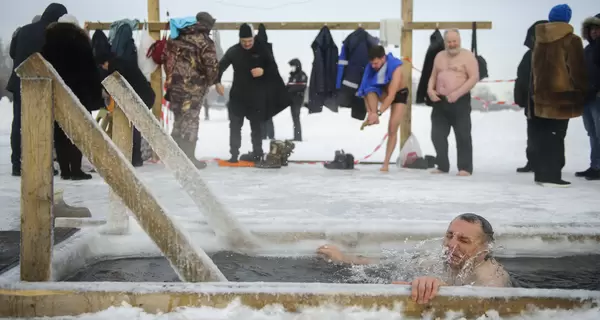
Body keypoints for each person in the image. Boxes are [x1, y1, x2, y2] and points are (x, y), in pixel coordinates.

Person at [317, 213, 511, 304]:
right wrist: (343, 257)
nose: (452, 245)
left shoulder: (491, 274)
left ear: (484, 249)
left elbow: (488, 305)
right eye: (449, 235)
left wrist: (440, 288)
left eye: (464, 240)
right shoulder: (435, 260)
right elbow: (387, 265)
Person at [41, 14, 105, 180]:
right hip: (79, 94)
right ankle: (76, 169)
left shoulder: (48, 44)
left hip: (56, 93)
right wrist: (95, 97)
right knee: (78, 131)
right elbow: (91, 71)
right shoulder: (81, 43)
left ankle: (65, 170)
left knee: (60, 132)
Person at [7, 3, 67, 177]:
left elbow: (12, 53)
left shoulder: (23, 30)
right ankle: (42, 164)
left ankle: (17, 164)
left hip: (20, 81)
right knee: (43, 123)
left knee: (18, 122)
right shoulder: (54, 34)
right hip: (41, 85)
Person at [530, 4, 587, 187]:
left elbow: (535, 70)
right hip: (562, 97)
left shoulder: (539, 39)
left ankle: (541, 173)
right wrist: (582, 90)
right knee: (557, 136)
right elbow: (577, 70)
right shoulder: (572, 40)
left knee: (543, 135)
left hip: (541, 96)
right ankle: (553, 173)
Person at [163, 12, 219, 169]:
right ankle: (188, 158)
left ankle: (174, 157)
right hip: (193, 89)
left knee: (179, 120)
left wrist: (171, 78)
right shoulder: (205, 41)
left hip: (174, 87)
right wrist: (209, 81)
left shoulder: (177, 37)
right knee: (191, 120)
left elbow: (165, 57)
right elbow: (212, 67)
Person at [216, 23, 275, 163]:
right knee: (235, 127)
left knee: (257, 127)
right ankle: (234, 155)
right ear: (239, 39)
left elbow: (273, 69)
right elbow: (219, 68)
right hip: (238, 96)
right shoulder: (233, 51)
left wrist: (263, 71)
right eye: (244, 41)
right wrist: (217, 82)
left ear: (254, 38)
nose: (247, 44)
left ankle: (258, 153)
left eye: (250, 41)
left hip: (256, 97)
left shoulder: (262, 50)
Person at [94, 39, 156, 167]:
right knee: (135, 127)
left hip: (140, 98)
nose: (103, 68)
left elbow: (117, 85)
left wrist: (106, 92)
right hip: (145, 96)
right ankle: (135, 157)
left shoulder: (115, 67)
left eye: (102, 66)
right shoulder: (121, 62)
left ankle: (134, 157)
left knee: (134, 127)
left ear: (105, 63)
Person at [427, 29, 479, 177]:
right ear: (445, 42)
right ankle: (442, 165)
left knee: (462, 134)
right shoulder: (439, 56)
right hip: (440, 100)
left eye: (454, 41)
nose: (452, 44)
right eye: (449, 42)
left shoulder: (467, 56)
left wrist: (457, 93)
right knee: (437, 134)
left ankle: (465, 167)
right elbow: (433, 75)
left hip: (460, 100)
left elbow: (473, 78)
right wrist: (430, 90)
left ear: (459, 40)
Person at [358, 45, 408, 172]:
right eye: (372, 64)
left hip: (398, 94)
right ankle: (374, 117)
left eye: (376, 63)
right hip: (382, 91)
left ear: (383, 58)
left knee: (392, 128)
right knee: (369, 90)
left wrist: (379, 112)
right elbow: (364, 91)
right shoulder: (370, 67)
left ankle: (386, 163)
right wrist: (370, 112)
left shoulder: (396, 67)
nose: (373, 66)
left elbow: (392, 95)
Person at [515, 20, 548, 174]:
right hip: (531, 102)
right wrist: (520, 97)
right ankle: (532, 161)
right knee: (532, 134)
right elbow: (521, 77)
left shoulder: (550, 54)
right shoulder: (528, 55)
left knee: (547, 134)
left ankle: (547, 163)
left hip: (548, 103)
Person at [576, 13, 600, 181]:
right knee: (592, 133)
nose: (594, 32)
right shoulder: (588, 49)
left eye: (598, 28)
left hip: (598, 96)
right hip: (587, 97)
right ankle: (595, 165)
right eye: (592, 28)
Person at [287, 58, 307, 141]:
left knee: (296, 118)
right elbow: (288, 86)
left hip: (297, 100)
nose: (292, 68)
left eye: (293, 66)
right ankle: (296, 136)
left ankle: (298, 137)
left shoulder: (302, 75)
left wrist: (289, 89)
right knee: (294, 118)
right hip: (292, 100)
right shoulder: (292, 76)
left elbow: (300, 86)